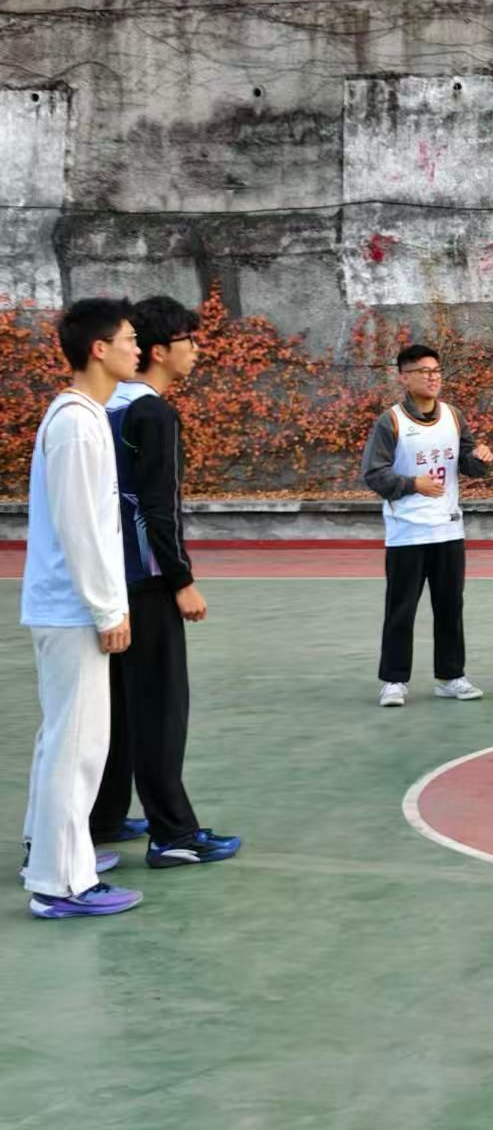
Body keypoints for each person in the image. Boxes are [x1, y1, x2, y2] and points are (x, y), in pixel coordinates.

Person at [89, 295, 240, 870]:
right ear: (158, 351)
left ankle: (103, 817)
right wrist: (181, 579)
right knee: (159, 708)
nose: (196, 351)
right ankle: (173, 833)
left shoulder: (100, 407)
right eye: (188, 342)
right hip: (147, 583)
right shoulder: (153, 414)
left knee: (118, 707)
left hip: (105, 582)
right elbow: (159, 507)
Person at [20, 298, 143, 919]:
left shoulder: (85, 416)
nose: (138, 348)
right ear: (99, 349)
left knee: (65, 741)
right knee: (77, 747)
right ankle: (59, 885)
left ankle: (52, 855)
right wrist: (106, 610)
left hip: (69, 608)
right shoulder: (74, 423)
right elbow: (79, 529)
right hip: (72, 611)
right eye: (129, 339)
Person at [361, 344, 493, 707]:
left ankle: (450, 676)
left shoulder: (453, 415)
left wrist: (480, 458)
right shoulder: (390, 421)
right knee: (401, 609)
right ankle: (394, 680)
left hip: (448, 529)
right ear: (404, 377)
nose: (432, 377)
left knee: (450, 607)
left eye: (436, 370)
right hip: (407, 531)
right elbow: (373, 473)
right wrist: (412, 484)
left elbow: (466, 463)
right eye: (423, 371)